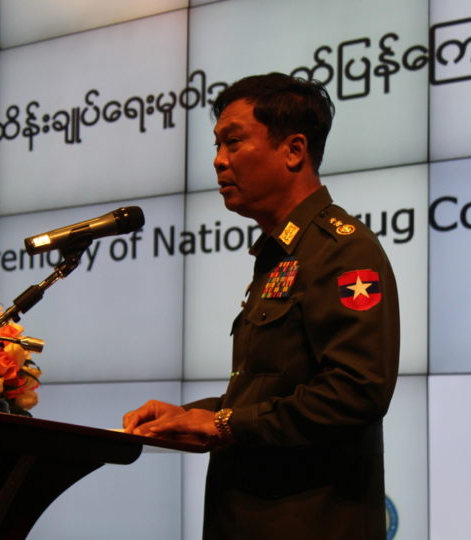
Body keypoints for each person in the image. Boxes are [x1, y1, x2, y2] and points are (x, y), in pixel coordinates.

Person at [123, 73, 400, 539]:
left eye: (233, 142)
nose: (218, 161)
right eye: (217, 146)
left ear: (294, 151)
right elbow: (276, 392)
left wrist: (224, 424)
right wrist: (191, 416)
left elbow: (357, 392)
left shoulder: (342, 250)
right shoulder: (281, 254)